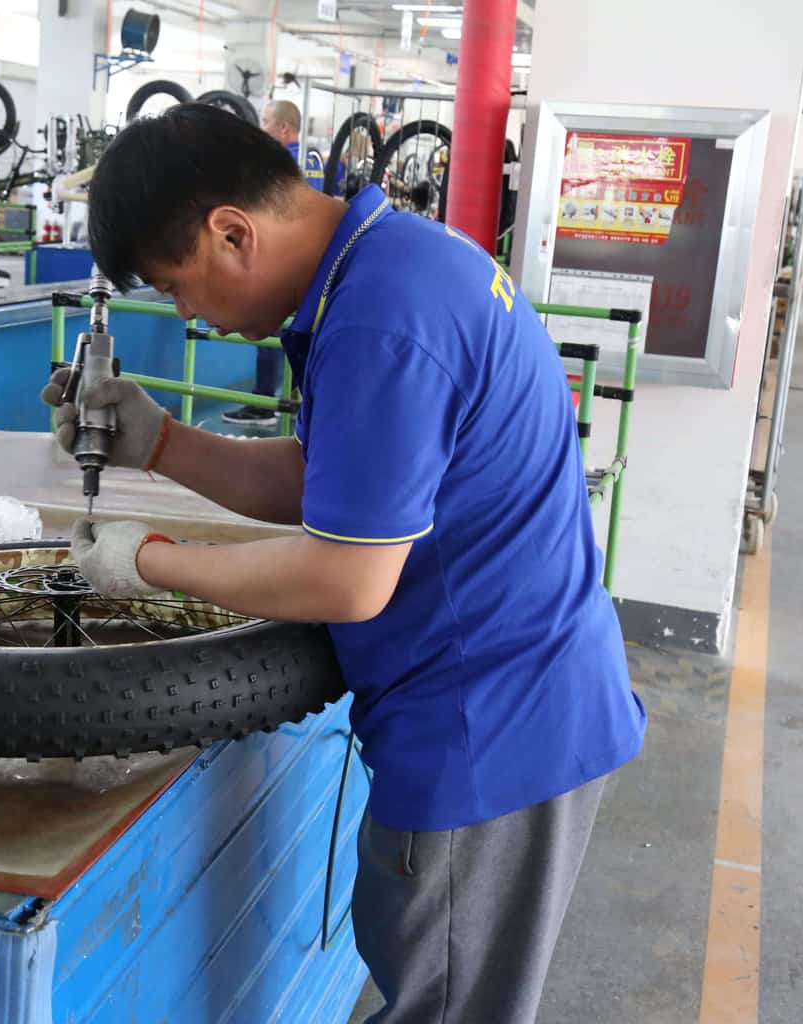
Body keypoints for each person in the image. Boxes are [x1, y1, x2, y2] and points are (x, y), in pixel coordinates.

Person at [42, 105, 645, 1023]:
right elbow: (342, 482)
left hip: (489, 729)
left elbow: (346, 578)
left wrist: (150, 561)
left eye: (177, 286)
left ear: (232, 232)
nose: (186, 315)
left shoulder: (381, 318)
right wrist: (158, 441)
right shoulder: (395, 263)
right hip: (520, 698)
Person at [221, 100, 325, 428]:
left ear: (283, 128)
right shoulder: (314, 157)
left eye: (265, 121)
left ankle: (264, 404)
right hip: (314, 260)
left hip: (283, 259)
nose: (261, 128)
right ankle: (295, 404)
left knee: (271, 331)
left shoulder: (281, 163)